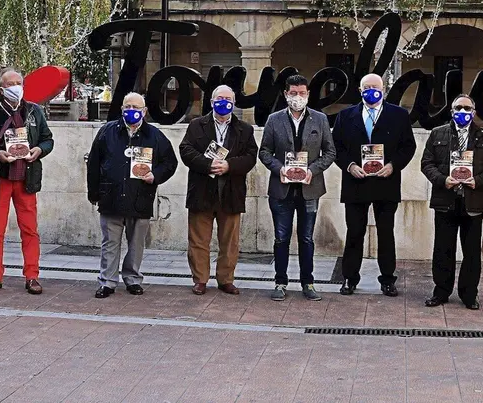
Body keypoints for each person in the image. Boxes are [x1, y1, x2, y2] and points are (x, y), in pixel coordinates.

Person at [0, 68, 54, 295]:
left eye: (19, 82)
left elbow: (47, 139)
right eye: (10, 84)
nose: (16, 87)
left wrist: (38, 150)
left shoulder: (34, 111)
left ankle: (32, 276)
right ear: (0, 89)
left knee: (30, 230)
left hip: (26, 178)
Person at [332, 73, 417, 296]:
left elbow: (408, 146)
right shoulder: (345, 115)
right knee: (354, 233)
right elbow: (336, 148)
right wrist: (349, 166)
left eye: (375, 87)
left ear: (384, 89)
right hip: (355, 182)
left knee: (386, 233)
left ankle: (388, 279)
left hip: (385, 182)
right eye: (367, 87)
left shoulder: (398, 115)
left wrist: (393, 165)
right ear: (360, 91)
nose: (371, 91)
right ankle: (350, 278)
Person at [86, 92, 177, 298]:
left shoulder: (155, 135)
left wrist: (155, 175)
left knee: (136, 243)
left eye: (137, 108)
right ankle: (107, 281)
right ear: (122, 109)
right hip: (111, 196)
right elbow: (93, 163)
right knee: (110, 242)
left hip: (140, 197)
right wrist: (93, 192)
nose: (132, 111)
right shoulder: (107, 132)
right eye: (128, 107)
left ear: (144, 111)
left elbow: (170, 162)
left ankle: (133, 278)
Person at [419, 94, 483, 310]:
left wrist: (479, 181)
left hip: (472, 202)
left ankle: (469, 294)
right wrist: (442, 179)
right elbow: (427, 163)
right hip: (445, 200)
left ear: (474, 112)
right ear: (452, 111)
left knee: (472, 252)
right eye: (459, 108)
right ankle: (441, 291)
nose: (463, 112)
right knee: (443, 249)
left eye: (467, 108)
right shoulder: (438, 133)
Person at [259, 75, 336, 301]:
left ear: (308, 94)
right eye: (293, 93)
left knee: (306, 238)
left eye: (302, 93)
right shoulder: (274, 120)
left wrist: (313, 169)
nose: (297, 97)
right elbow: (264, 152)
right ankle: (280, 282)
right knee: (281, 238)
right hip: (281, 190)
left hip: (309, 189)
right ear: (285, 94)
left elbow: (330, 152)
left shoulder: (320, 120)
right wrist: (280, 168)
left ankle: (308, 282)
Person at [178, 85, 258, 296]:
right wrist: (207, 164)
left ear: (234, 102)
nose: (224, 102)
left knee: (230, 241)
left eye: (228, 99)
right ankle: (200, 279)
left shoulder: (245, 129)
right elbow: (185, 150)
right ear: (212, 102)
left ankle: (226, 279)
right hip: (202, 189)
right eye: (220, 99)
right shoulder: (196, 125)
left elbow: (251, 156)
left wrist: (229, 165)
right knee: (198, 239)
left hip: (230, 191)